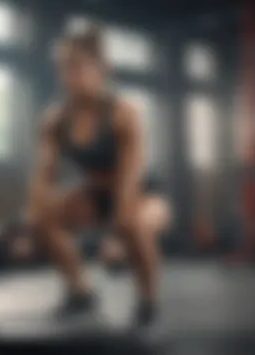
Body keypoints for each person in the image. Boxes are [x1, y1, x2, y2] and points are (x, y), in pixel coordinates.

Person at [28, 23, 169, 327]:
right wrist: (36, 219)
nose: (70, 75)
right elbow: (44, 175)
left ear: (102, 69)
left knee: (132, 224)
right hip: (95, 193)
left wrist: (116, 239)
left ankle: (148, 302)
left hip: (144, 192)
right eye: (64, 67)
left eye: (78, 66)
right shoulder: (55, 120)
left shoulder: (123, 113)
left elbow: (131, 177)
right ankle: (80, 292)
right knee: (41, 217)